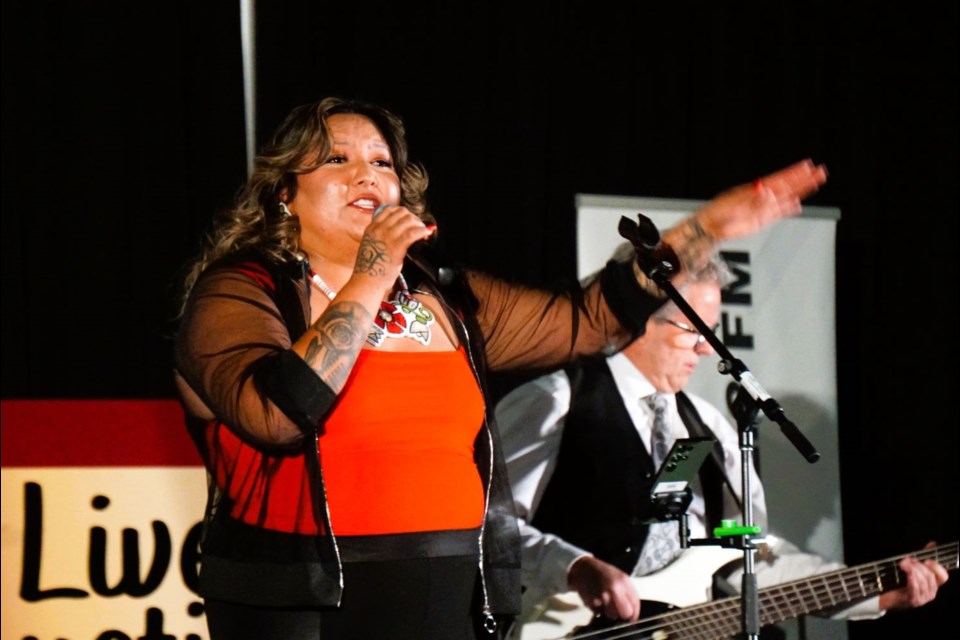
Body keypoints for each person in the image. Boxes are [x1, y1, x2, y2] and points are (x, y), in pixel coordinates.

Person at [172, 94, 829, 640]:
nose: (366, 175)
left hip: (448, 591)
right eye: (336, 160)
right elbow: (277, 415)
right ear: (285, 191)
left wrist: (708, 225)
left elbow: (587, 320)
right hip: (307, 604)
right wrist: (371, 273)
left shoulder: (446, 300)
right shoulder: (243, 291)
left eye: (381, 162)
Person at [494, 251, 951, 639]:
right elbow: (487, 524)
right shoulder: (557, 399)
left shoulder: (708, 426)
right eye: (695, 330)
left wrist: (874, 593)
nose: (707, 350)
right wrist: (574, 566)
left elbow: (748, 553)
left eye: (712, 333)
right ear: (637, 321)